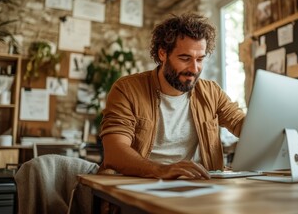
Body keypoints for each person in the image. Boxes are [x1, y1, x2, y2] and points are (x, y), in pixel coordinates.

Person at [99, 12, 246, 180]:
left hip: (197, 186)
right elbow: (114, 152)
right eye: (185, 58)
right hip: (138, 184)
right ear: (163, 54)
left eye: (200, 59)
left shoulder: (211, 92)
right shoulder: (127, 89)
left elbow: (241, 124)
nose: (194, 68)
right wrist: (161, 170)